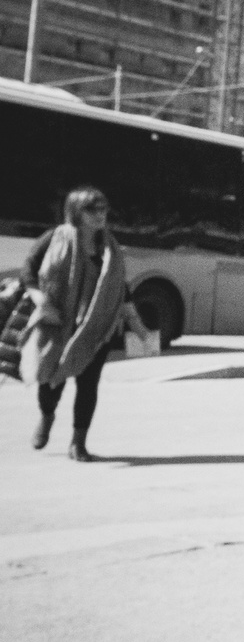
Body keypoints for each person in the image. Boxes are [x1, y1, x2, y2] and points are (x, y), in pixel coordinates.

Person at [18, 187, 156, 461]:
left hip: (96, 326)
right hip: (57, 322)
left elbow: (120, 288)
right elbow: (29, 271)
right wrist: (40, 299)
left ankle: (78, 443)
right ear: (75, 212)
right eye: (92, 209)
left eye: (103, 208)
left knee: (88, 384)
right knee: (50, 381)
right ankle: (46, 417)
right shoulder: (54, 238)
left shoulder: (110, 247)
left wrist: (139, 327)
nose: (100, 214)